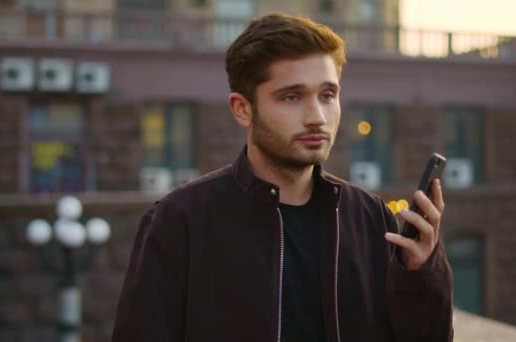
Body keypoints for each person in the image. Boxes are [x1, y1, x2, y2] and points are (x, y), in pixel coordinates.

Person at [112, 13, 453, 342]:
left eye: (328, 95)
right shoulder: (179, 221)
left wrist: (422, 274)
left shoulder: (370, 216)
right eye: (291, 97)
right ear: (242, 109)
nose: (317, 117)